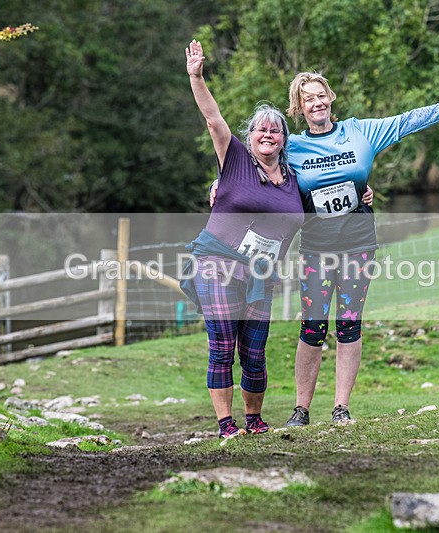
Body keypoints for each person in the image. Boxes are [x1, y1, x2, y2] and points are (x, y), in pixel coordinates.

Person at [284, 70, 439, 427]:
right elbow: (256, 160)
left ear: (331, 97)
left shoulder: (360, 132)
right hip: (316, 248)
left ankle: (341, 408)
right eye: (308, 98)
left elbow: (408, 121)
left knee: (349, 324)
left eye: (321, 94)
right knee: (312, 328)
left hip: (358, 244)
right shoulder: (292, 147)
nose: (317, 102)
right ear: (299, 107)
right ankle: (301, 409)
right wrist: (220, 183)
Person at [180, 40, 304, 438]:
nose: (268, 134)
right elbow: (214, 119)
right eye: (261, 129)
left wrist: (363, 194)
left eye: (275, 130)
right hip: (216, 265)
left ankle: (253, 420)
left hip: (260, 276)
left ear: (284, 139)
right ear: (250, 137)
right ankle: (225, 424)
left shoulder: (295, 182)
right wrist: (197, 76)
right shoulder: (233, 159)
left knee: (254, 354)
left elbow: (331, 190)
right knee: (222, 345)